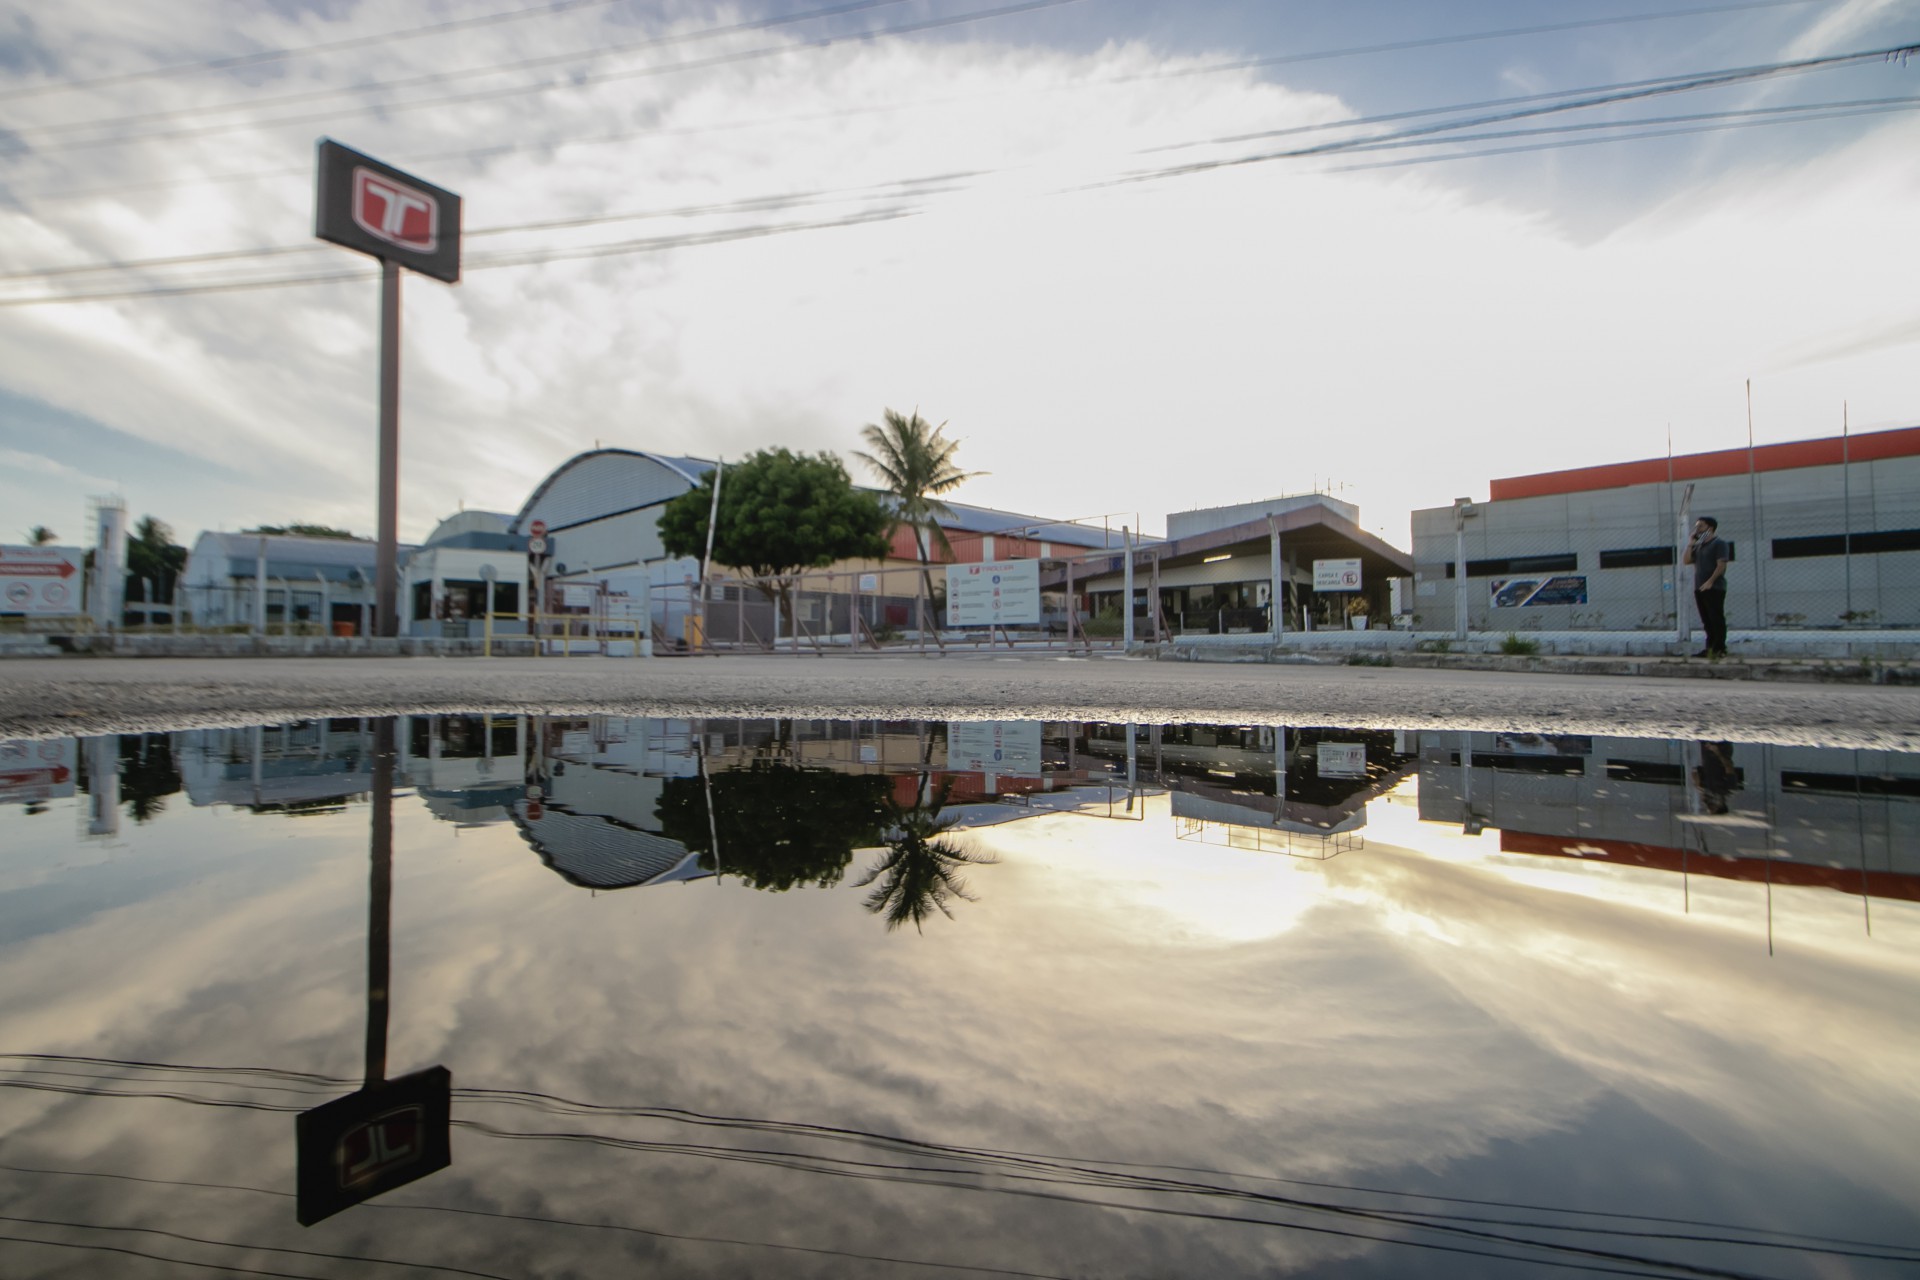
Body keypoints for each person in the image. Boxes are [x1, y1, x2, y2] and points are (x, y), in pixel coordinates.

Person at [1682, 515, 1730, 658]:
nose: (1697, 529)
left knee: (1716, 618)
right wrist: (1691, 544)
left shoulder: (1719, 543)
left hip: (1714, 588)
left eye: (1700, 526)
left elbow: (1721, 565)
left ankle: (1720, 648)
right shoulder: (1699, 546)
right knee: (1706, 620)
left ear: (1710, 528)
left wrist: (1710, 581)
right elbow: (1686, 560)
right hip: (1700, 588)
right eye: (1696, 526)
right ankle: (1710, 648)